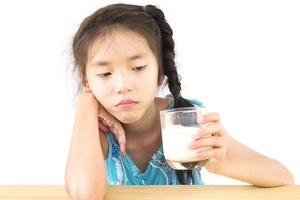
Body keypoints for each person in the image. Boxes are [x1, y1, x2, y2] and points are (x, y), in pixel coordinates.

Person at [64, 3, 294, 200]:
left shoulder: (185, 118)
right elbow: (86, 194)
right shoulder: (97, 131)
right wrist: (85, 104)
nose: (123, 85)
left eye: (138, 68)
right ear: (87, 81)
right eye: (105, 74)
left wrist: (219, 160)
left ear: (160, 70)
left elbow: (283, 177)